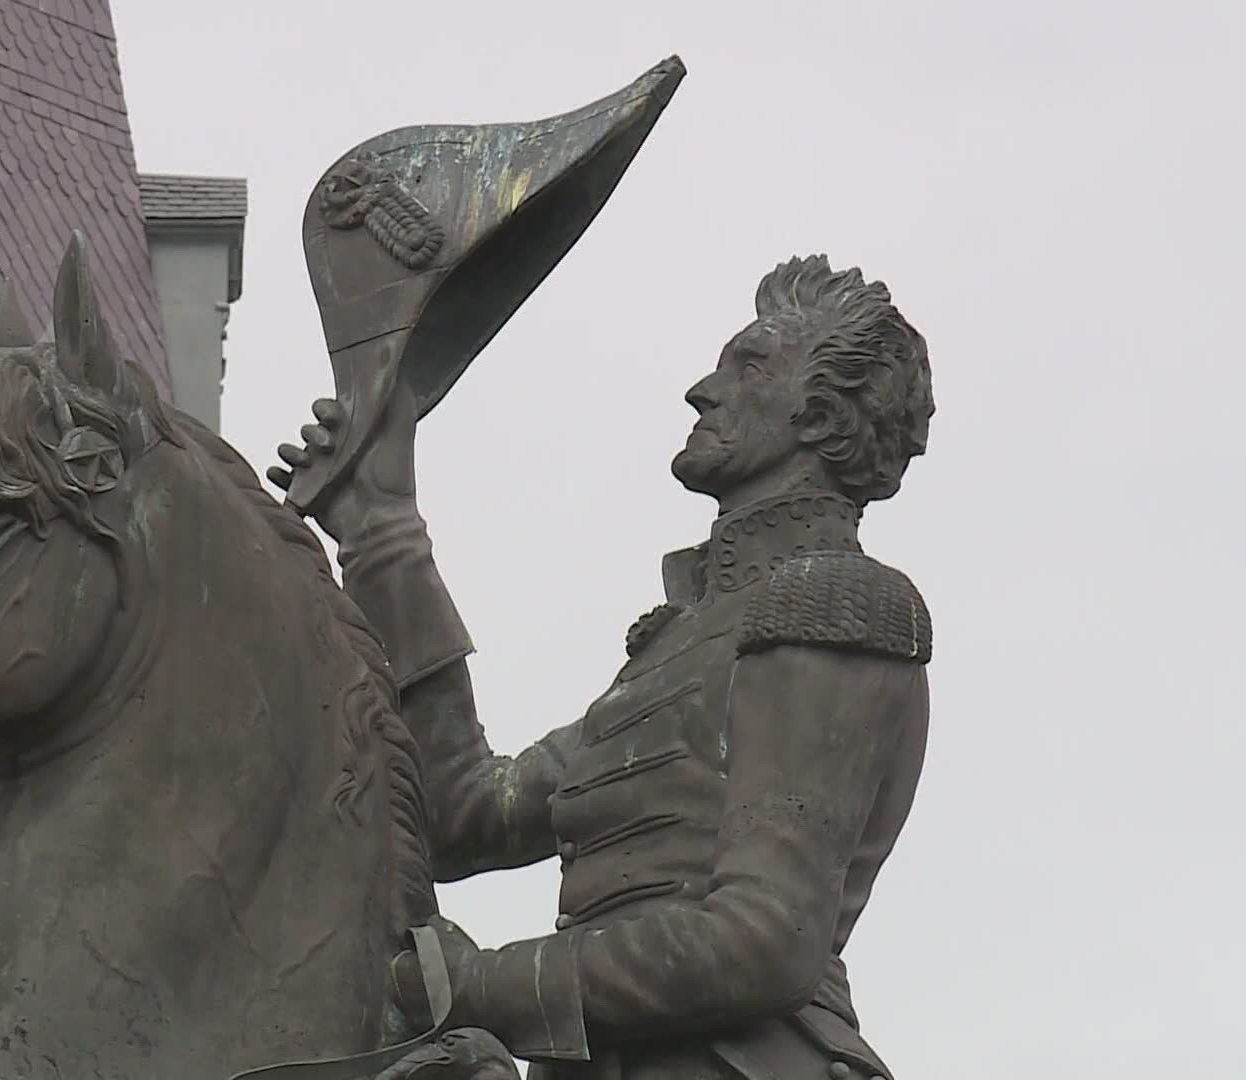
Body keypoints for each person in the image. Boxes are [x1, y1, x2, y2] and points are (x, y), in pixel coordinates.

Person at [268, 255, 935, 1080]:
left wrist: (477, 984)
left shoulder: (835, 602)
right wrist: (380, 529)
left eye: (750, 364)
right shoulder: (679, 645)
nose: (704, 389)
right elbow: (463, 813)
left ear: (824, 416)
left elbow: (765, 941)